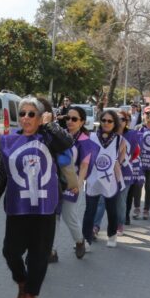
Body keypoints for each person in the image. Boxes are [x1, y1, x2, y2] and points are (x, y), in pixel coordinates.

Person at [0, 97, 74, 298]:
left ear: (40, 118)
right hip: (17, 206)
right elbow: (3, 173)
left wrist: (50, 125)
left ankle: (30, 295)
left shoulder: (49, 138)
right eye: (22, 113)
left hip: (45, 207)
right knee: (10, 251)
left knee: (39, 255)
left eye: (32, 114)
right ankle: (22, 281)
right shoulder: (9, 141)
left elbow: (67, 143)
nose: (26, 118)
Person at [82, 109, 126, 249]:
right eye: (103, 120)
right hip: (93, 179)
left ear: (115, 123)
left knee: (111, 210)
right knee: (90, 211)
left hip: (110, 180)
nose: (106, 123)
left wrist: (115, 164)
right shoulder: (92, 136)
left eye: (110, 121)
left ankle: (112, 235)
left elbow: (121, 157)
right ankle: (86, 240)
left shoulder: (120, 139)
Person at [59, 106, 93, 258]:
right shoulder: (61, 135)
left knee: (69, 215)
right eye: (67, 118)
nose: (70, 121)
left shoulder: (85, 141)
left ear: (82, 122)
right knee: (53, 216)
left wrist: (77, 185)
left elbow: (84, 166)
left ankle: (80, 241)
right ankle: (50, 251)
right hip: (56, 182)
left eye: (74, 119)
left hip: (74, 184)